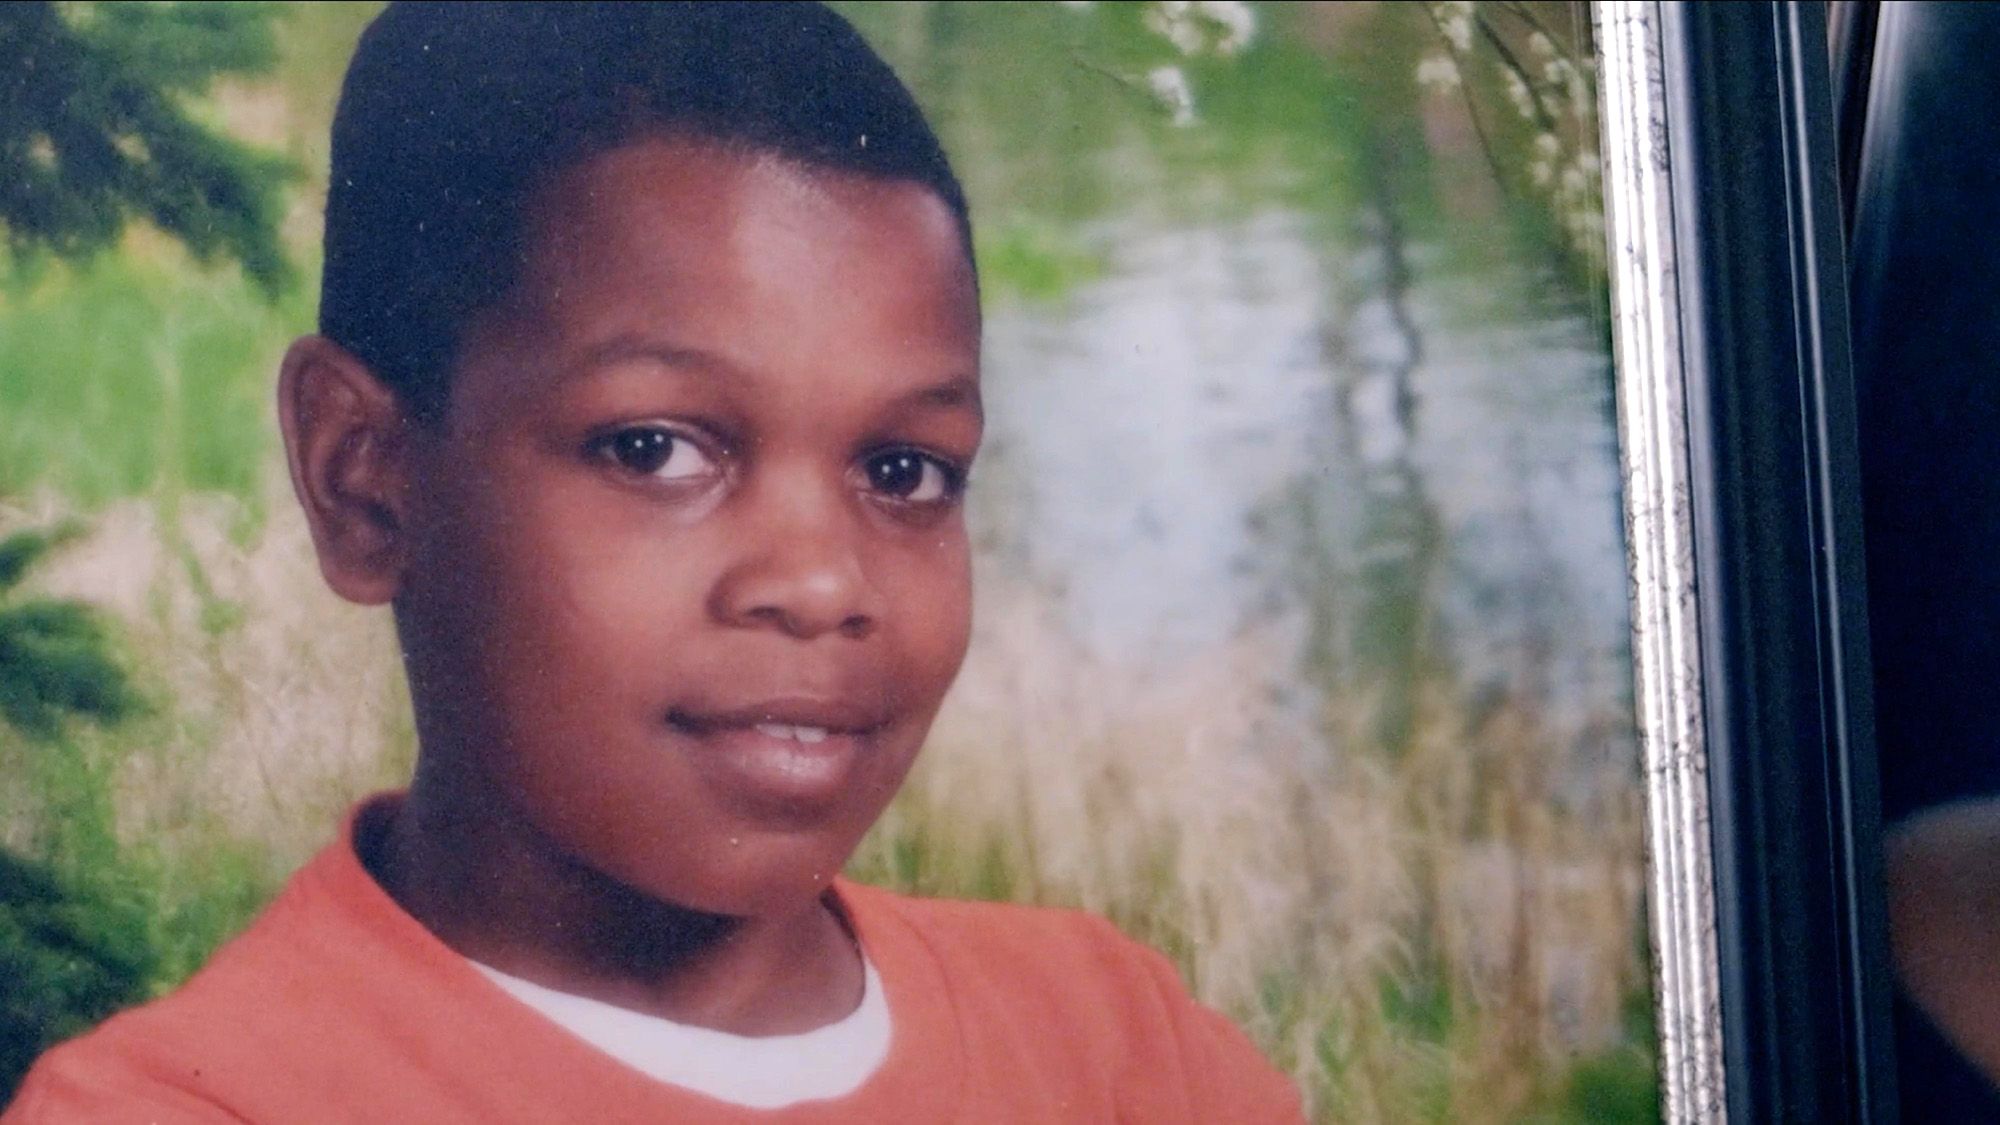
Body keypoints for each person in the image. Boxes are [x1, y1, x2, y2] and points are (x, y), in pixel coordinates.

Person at [2, 3, 1304, 1121]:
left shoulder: (1125, 1053)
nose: (820, 580)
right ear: (363, 478)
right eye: (655, 448)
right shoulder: (196, 1107)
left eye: (904, 470)